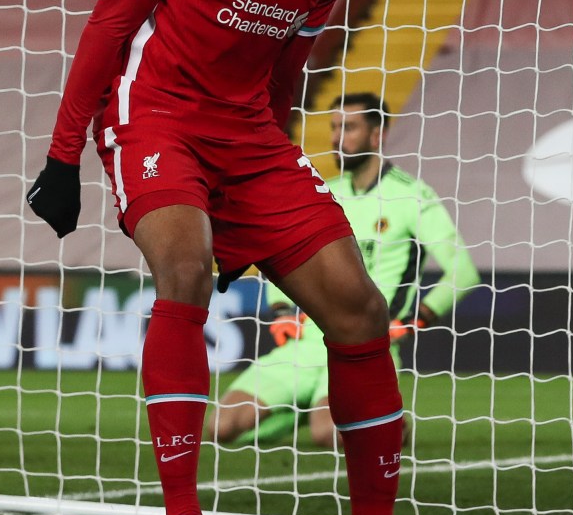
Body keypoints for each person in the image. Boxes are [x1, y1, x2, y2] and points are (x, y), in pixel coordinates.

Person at [26, 0, 476, 515]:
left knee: (358, 309)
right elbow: (114, 17)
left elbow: (282, 71)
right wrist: (62, 155)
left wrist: (263, 166)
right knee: (186, 272)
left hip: (248, 137)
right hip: (153, 113)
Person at [205, 92, 480, 450]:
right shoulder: (323, 192)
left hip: (366, 346)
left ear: (376, 135)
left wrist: (416, 319)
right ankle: (306, 409)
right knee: (219, 427)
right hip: (305, 345)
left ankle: (390, 424)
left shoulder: (412, 197)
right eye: (334, 127)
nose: (337, 137)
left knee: (329, 435)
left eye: (349, 128)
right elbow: (280, 253)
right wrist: (282, 311)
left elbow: (463, 272)